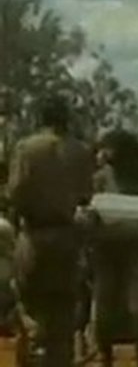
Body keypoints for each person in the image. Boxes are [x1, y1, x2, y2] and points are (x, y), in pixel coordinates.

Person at [8, 95, 94, 367]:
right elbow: (86, 196)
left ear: (39, 118)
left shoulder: (27, 148)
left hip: (35, 236)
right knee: (64, 312)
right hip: (68, 239)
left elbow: (16, 193)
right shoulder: (81, 150)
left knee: (33, 309)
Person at [91, 129, 138, 367]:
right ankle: (107, 357)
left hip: (130, 248)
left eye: (108, 148)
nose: (104, 153)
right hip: (106, 249)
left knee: (135, 304)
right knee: (105, 304)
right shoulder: (101, 178)